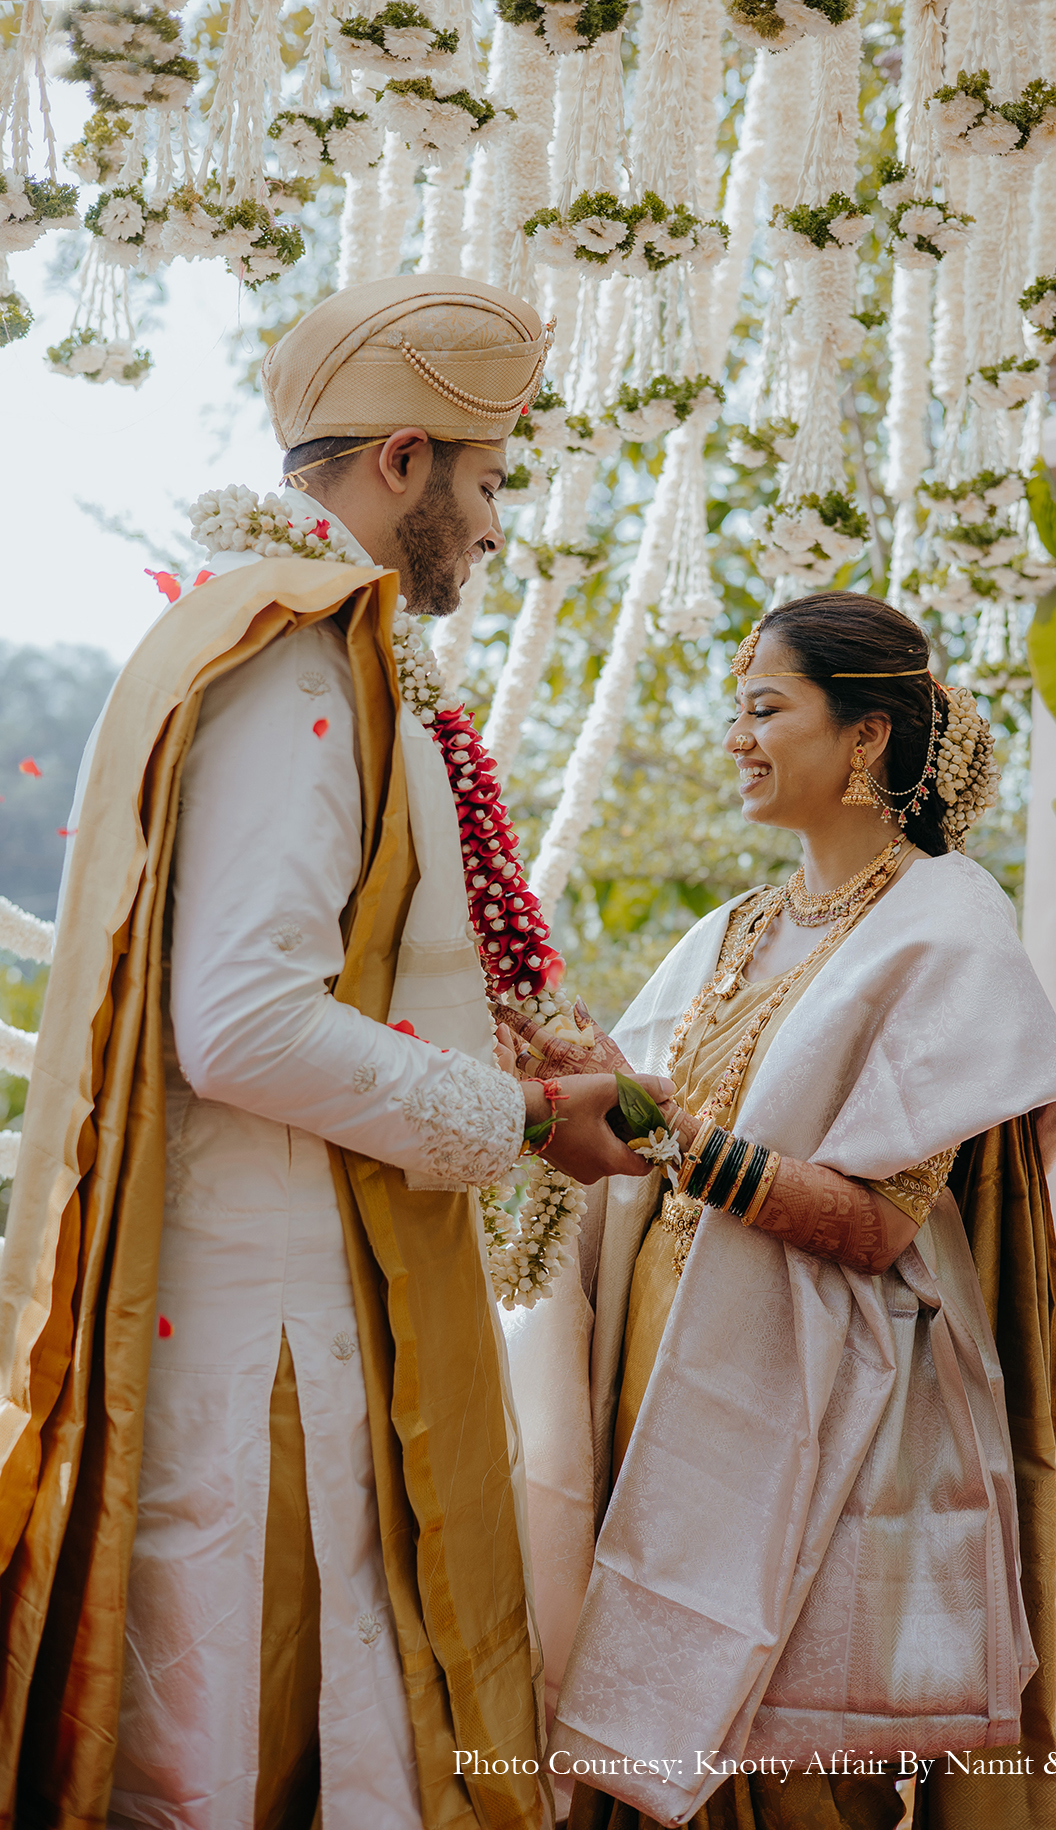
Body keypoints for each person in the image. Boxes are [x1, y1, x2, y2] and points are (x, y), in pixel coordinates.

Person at [0, 274, 671, 1828]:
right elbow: (241, 1023)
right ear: (399, 461)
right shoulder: (299, 661)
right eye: (488, 480)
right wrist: (520, 1118)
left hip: (293, 1301)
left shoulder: (278, 642)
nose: (494, 526)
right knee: (256, 1748)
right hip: (269, 1348)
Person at [499, 593, 1056, 1830]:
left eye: (765, 709)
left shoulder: (944, 925)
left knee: (789, 1757)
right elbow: (665, 1106)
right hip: (664, 1358)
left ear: (866, 736)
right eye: (736, 714)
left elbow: (876, 1223)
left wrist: (663, 1131)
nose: (736, 740)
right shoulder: (739, 926)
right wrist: (541, 1056)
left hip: (835, 1398)